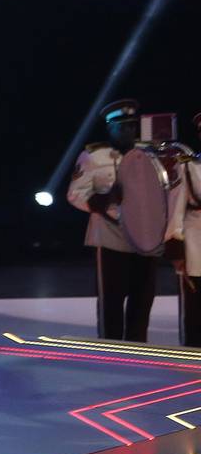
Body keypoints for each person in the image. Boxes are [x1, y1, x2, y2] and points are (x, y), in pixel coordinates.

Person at [66, 98, 157, 341]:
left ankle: (138, 350)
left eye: (132, 125)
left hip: (146, 237)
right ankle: (111, 348)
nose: (129, 130)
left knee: (143, 298)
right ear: (110, 128)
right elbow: (75, 194)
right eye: (123, 126)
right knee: (112, 301)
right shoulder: (94, 156)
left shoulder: (149, 153)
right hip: (111, 237)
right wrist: (104, 201)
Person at [167, 114, 201, 347]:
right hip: (196, 243)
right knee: (195, 311)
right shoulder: (187, 166)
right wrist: (176, 245)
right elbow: (176, 207)